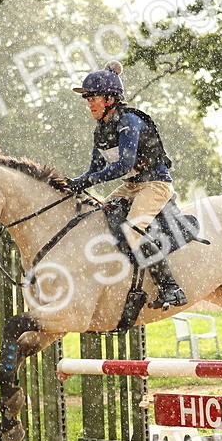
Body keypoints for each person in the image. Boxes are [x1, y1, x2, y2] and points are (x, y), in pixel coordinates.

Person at [64, 60, 188, 309]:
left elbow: (123, 165)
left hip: (155, 184)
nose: (89, 104)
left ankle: (171, 288)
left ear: (110, 99)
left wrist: (87, 180)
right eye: (87, 99)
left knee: (132, 230)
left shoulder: (129, 121)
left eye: (93, 98)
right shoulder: (101, 130)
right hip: (131, 186)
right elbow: (95, 170)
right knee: (96, 219)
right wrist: (73, 183)